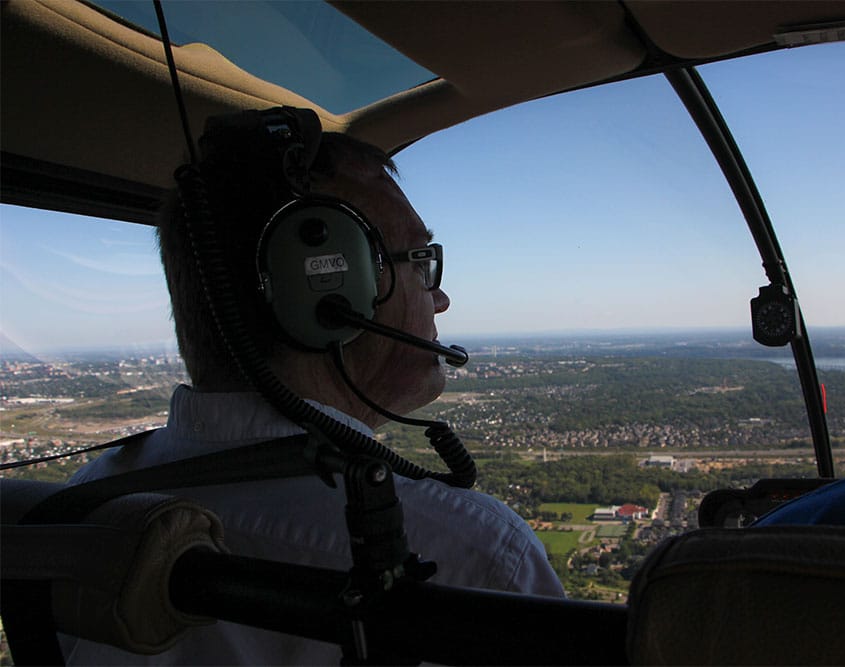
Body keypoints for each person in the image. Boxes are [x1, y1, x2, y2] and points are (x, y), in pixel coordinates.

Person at [61, 112, 564, 665]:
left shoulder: (80, 508)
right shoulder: (473, 555)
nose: (440, 299)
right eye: (420, 260)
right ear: (328, 293)